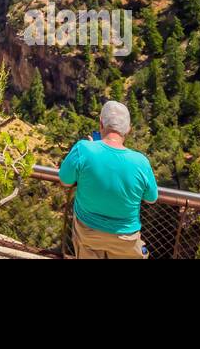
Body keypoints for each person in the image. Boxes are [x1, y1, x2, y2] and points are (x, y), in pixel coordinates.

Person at [57, 100, 158, 259]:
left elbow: (65, 181)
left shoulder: (84, 149)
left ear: (101, 124)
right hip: (125, 238)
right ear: (128, 130)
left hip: (88, 233)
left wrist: (92, 151)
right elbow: (151, 198)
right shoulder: (141, 162)